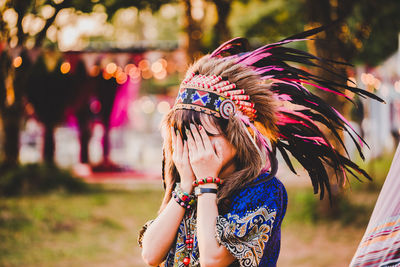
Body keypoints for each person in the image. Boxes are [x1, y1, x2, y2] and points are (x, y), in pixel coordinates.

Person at [138, 26, 384, 267]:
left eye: (207, 137)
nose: (196, 150)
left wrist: (206, 185)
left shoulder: (265, 191)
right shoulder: (186, 189)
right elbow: (150, 255)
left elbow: (213, 259)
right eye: (187, 138)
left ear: (239, 136)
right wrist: (184, 189)